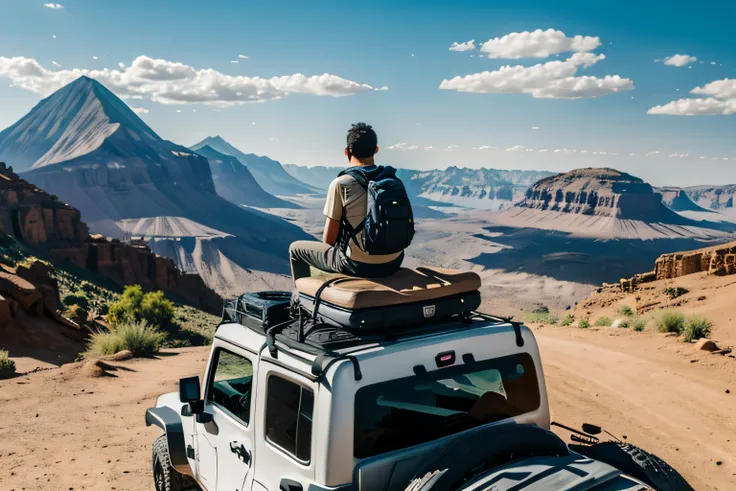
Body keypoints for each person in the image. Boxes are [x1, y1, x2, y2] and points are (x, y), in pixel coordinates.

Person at [289, 123, 407, 283]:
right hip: (394, 262)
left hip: (358, 265)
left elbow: (329, 240)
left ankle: (301, 300)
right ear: (376, 149)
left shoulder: (341, 183)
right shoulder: (393, 180)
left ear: (347, 151)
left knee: (295, 249)